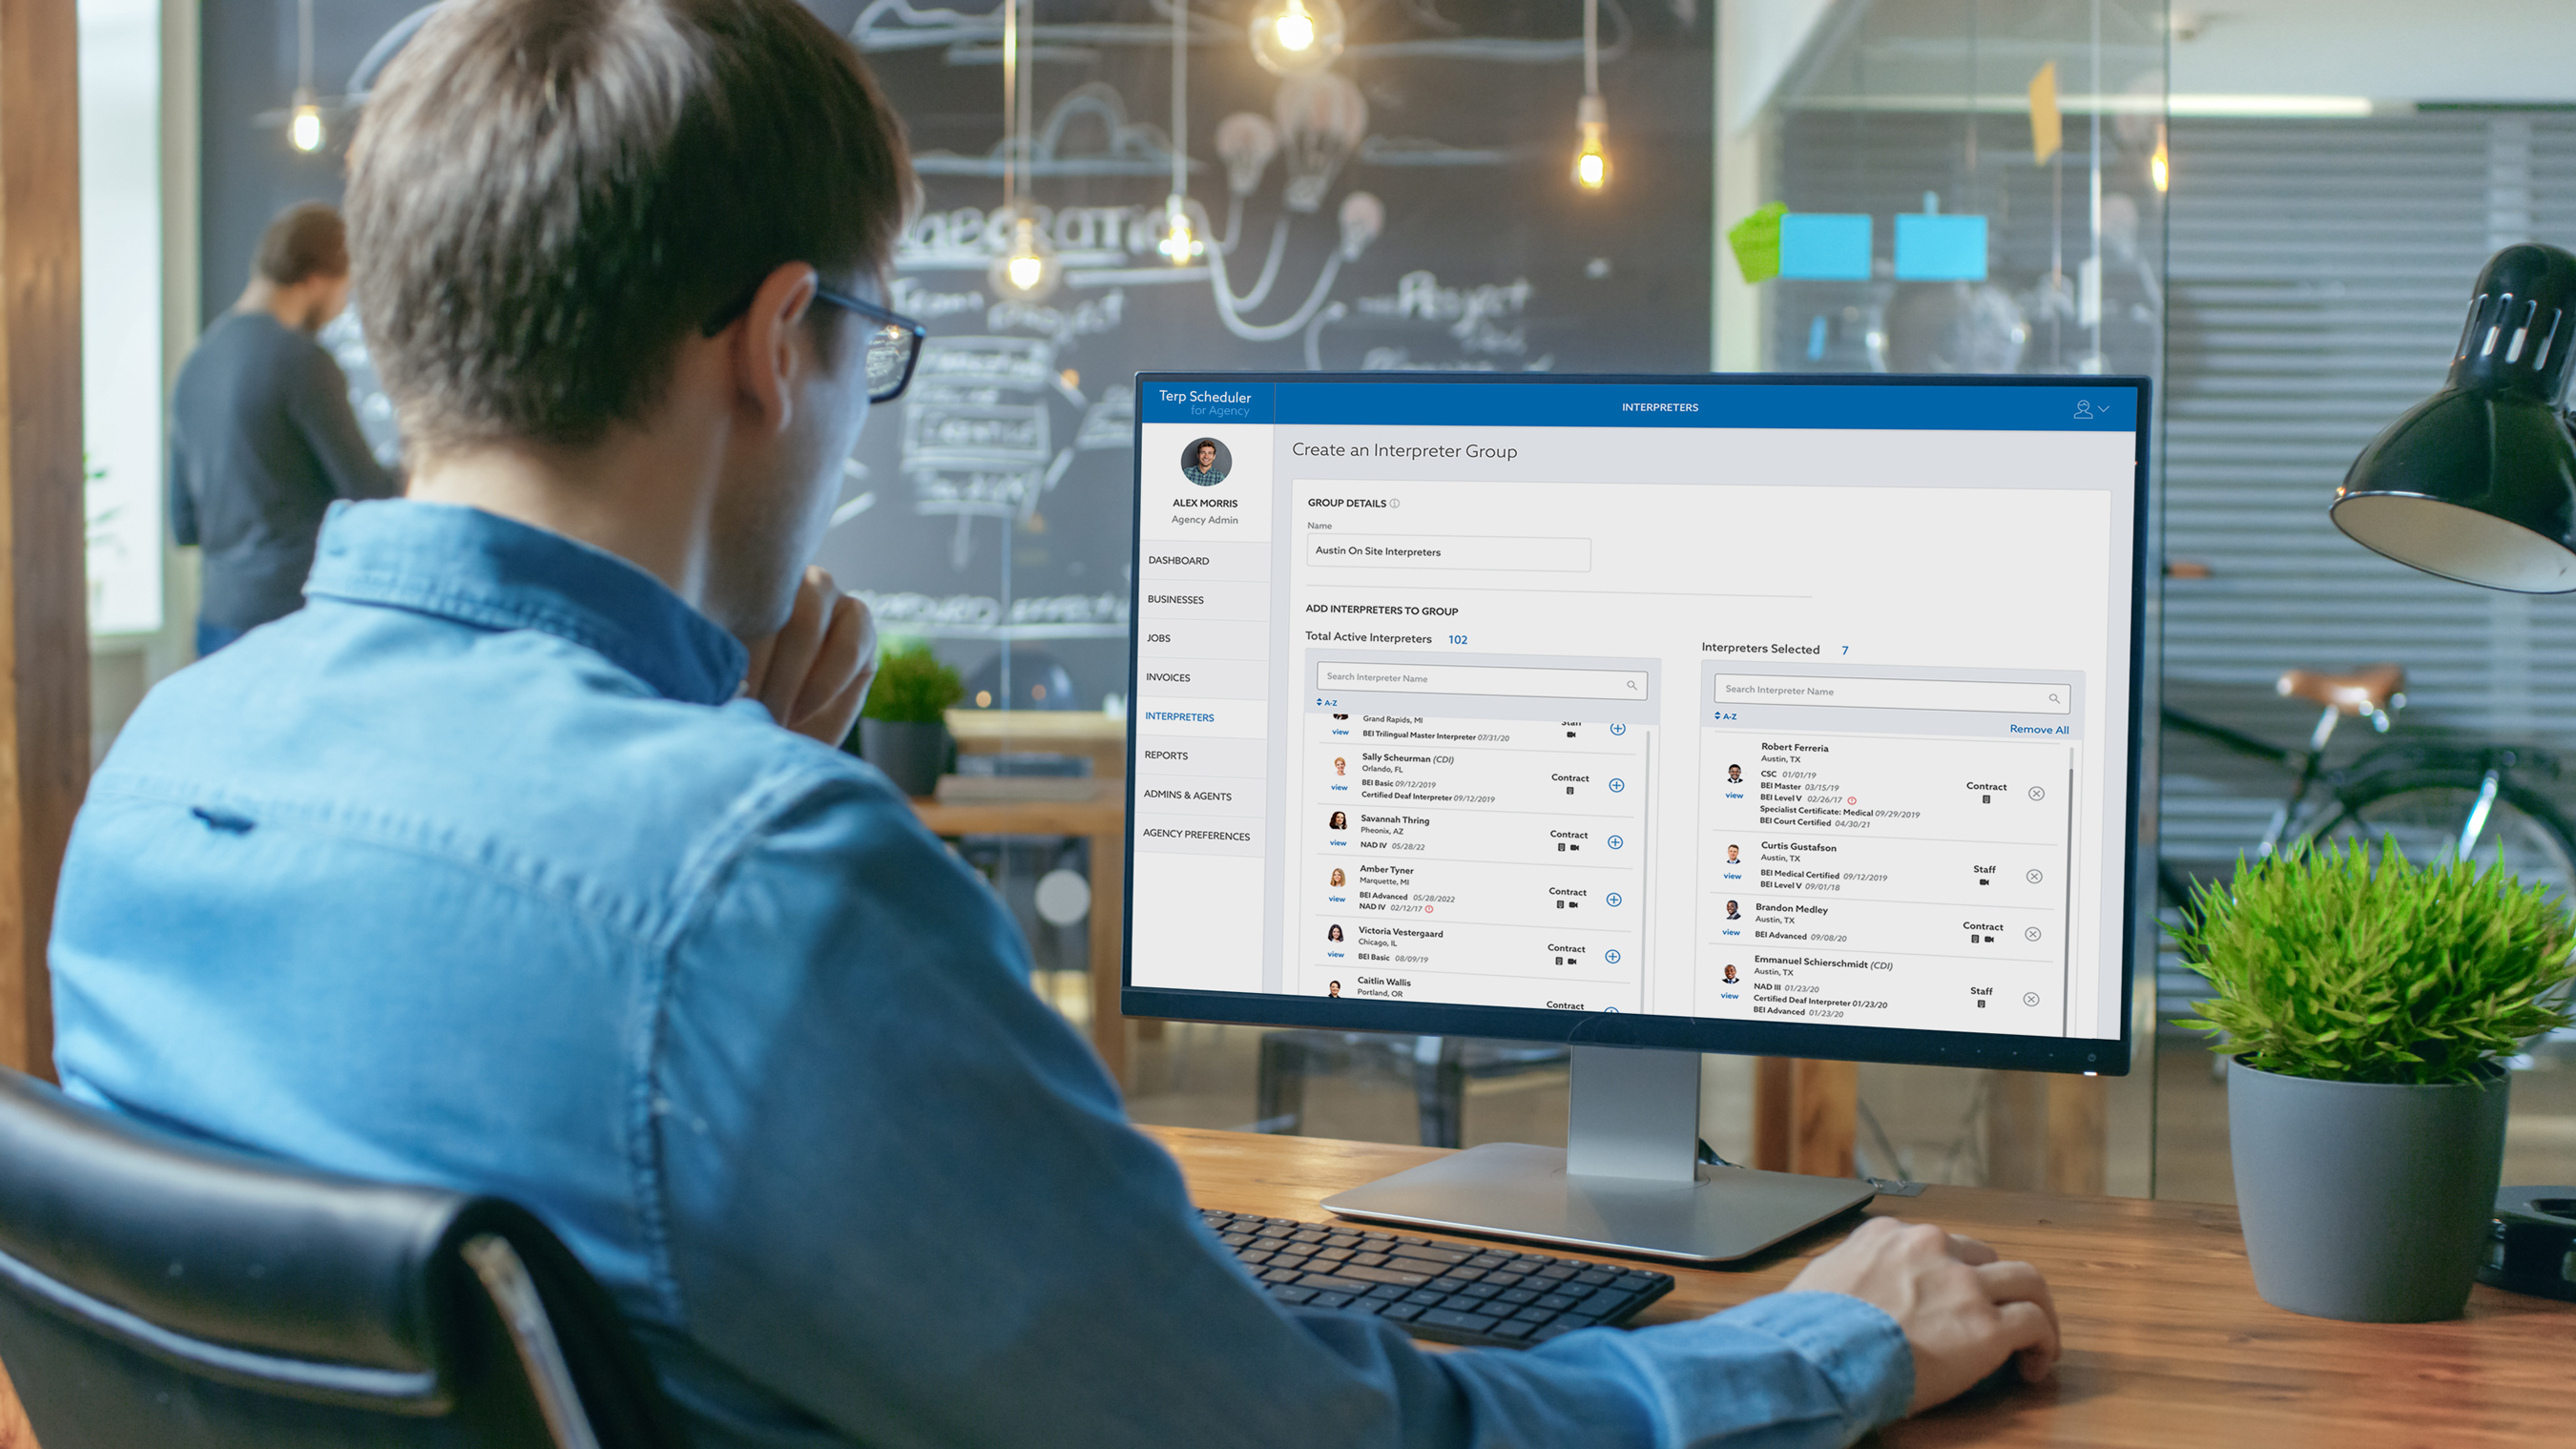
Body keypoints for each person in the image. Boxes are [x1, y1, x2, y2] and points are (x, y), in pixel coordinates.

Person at [48, 4, 2059, 1447]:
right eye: (875, 350)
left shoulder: (158, 784)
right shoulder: (754, 895)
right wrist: (1819, 1343)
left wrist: (712, 742)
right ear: (775, 346)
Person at [168, 202, 403, 656]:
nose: (340, 309)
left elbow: (184, 525)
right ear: (316, 279)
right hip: (292, 620)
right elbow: (368, 490)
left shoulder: (195, 365)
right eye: (344, 289)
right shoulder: (301, 360)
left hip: (217, 623)